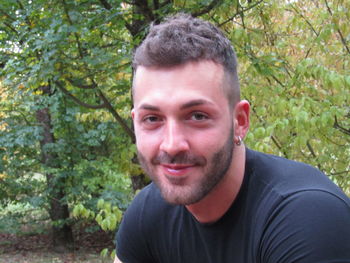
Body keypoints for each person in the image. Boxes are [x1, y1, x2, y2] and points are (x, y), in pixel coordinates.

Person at [115, 13, 350, 263]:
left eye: (197, 116)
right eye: (152, 119)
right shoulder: (147, 215)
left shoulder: (306, 216)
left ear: (240, 121)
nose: (172, 144)